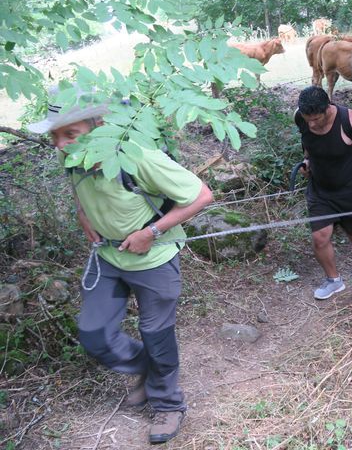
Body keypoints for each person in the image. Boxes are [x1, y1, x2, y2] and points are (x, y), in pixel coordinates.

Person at [27, 85, 213, 444]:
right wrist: (83, 216)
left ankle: (168, 404)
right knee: (95, 334)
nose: (60, 144)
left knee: (156, 336)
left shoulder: (138, 156)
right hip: (109, 259)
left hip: (154, 260)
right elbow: (81, 192)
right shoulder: (72, 158)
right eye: (55, 136)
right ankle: (149, 370)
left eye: (70, 133)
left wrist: (152, 231)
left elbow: (201, 194)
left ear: (100, 125)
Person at [294, 86, 352, 300]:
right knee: (319, 237)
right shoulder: (301, 118)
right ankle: (334, 280)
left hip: (351, 188)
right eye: (308, 119)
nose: (311, 124)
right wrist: (307, 160)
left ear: (328, 108)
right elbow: (308, 141)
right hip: (320, 189)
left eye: (316, 118)